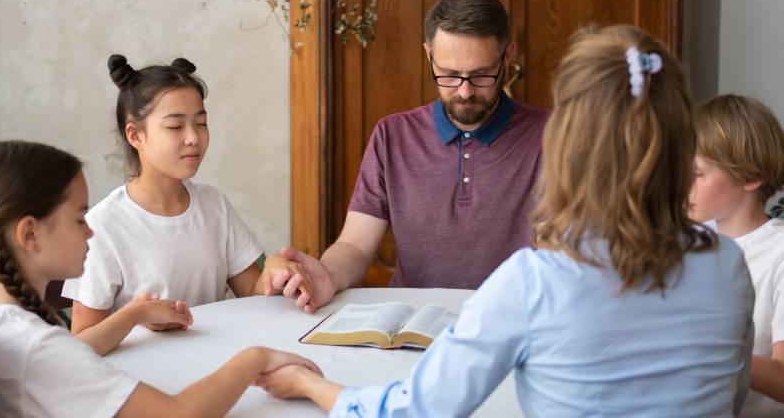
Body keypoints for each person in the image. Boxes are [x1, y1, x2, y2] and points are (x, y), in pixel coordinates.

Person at [257, 26, 755, 417]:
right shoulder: (728, 264)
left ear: (565, 140)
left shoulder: (537, 282)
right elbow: (728, 400)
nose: (465, 89)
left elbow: (414, 412)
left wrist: (307, 384)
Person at [0, 139, 320, 418]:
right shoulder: (39, 348)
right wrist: (254, 359)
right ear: (30, 235)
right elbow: (179, 414)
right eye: (80, 218)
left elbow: (67, 354)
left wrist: (133, 314)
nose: (91, 233)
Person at [273, 0, 548, 311]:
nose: (464, 91)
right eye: (448, 75)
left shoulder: (554, 136)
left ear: (507, 56)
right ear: (429, 55)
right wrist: (327, 274)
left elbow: (565, 253)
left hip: (512, 320)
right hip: (413, 325)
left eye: (480, 75)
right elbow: (356, 245)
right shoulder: (393, 135)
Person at [63, 55, 311, 339]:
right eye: (175, 127)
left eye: (201, 123)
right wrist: (136, 316)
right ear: (135, 135)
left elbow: (254, 296)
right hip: (146, 376)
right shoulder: (103, 226)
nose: (194, 138)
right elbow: (81, 343)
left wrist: (275, 273)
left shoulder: (213, 205)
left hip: (217, 367)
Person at [690, 94, 784, 417]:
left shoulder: (779, 253)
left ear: (750, 177)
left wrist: (715, 350)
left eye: (697, 173)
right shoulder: (684, 244)